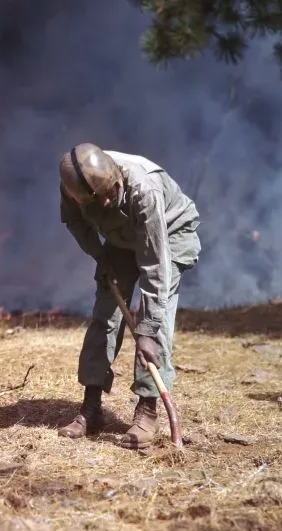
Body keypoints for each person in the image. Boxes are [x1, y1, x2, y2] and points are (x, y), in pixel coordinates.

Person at [57, 143, 201, 449]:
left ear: (115, 177)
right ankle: (91, 408)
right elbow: (75, 222)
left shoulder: (143, 189)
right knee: (104, 314)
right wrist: (100, 255)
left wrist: (146, 330)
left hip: (170, 234)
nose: (108, 200)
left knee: (154, 322)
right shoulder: (74, 187)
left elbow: (155, 267)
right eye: (100, 199)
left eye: (112, 192)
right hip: (122, 239)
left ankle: (147, 410)